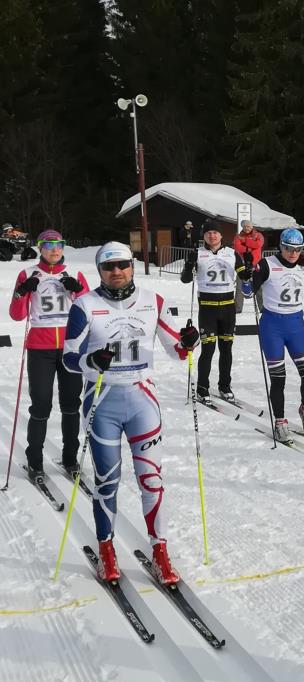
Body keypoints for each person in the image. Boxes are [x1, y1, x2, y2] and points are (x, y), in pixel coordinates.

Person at [62, 241, 199, 583]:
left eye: (123, 264)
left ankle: (160, 551)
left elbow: (177, 349)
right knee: (107, 481)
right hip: (102, 402)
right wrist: (90, 361)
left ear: (132, 266)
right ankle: (106, 550)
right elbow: (68, 357)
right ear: (100, 271)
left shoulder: (154, 302)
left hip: (143, 401)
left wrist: (190, 341)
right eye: (109, 267)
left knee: (152, 480)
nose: (117, 271)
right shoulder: (84, 305)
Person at [8, 230, 88, 482]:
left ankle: (70, 458)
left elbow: (91, 312)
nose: (54, 250)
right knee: (41, 405)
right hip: (39, 349)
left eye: (59, 245)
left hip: (70, 348)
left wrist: (78, 292)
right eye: (49, 245)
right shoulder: (27, 273)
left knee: (71, 406)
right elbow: (17, 315)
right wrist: (23, 291)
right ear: (40, 248)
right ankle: (34, 461)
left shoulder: (75, 275)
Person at [245, 226, 304, 443]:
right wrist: (246, 278)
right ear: (280, 246)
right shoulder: (267, 264)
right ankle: (280, 421)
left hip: (296, 325)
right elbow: (247, 293)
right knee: (278, 379)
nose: (293, 253)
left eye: (298, 249)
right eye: (288, 248)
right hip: (272, 325)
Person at [181, 217, 240, 402]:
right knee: (208, 350)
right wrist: (189, 264)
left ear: (221, 235)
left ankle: (224, 386)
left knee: (226, 349)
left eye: (215, 232)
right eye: (208, 233)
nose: (212, 236)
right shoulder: (198, 253)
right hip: (207, 309)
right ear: (204, 236)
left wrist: (249, 268)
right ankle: (202, 387)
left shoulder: (232, 253)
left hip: (228, 308)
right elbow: (185, 279)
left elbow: (245, 276)